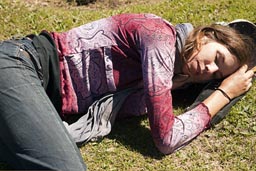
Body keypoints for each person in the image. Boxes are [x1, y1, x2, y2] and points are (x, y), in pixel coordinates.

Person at [0, 13, 255, 170]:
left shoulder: (169, 76)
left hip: (38, 93)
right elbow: (165, 139)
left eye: (216, 75)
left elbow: (133, 106)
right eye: (217, 58)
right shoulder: (159, 37)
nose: (209, 69)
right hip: (22, 64)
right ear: (207, 35)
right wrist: (223, 94)